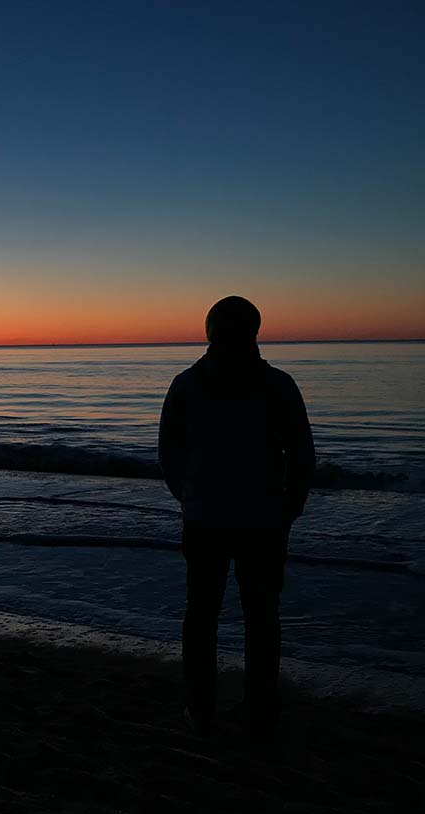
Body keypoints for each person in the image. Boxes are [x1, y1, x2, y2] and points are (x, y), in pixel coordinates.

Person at [158, 296, 315, 739]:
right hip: (247, 518)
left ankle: (211, 707)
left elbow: (169, 453)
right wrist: (289, 506)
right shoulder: (271, 384)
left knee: (214, 615)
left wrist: (188, 497)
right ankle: (243, 708)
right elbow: (302, 454)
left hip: (233, 518)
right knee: (254, 615)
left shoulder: (192, 384)